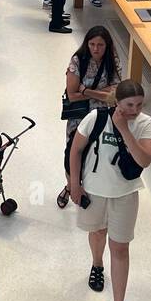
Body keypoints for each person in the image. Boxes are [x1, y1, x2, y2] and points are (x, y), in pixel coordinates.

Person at [68, 80, 151, 301]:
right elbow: (75, 150)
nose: (135, 110)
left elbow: (145, 160)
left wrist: (124, 129)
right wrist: (75, 184)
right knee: (97, 232)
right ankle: (97, 264)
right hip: (94, 191)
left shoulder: (145, 123)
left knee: (120, 248)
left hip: (125, 195)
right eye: (129, 104)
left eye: (139, 104)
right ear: (117, 102)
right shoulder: (95, 117)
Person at [58, 25, 120, 205]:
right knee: (72, 151)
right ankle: (71, 185)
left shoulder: (112, 61)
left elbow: (115, 94)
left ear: (107, 46)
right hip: (79, 117)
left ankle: (85, 184)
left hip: (103, 116)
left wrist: (85, 90)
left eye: (100, 45)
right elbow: (72, 95)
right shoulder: (78, 61)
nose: (95, 49)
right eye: (92, 44)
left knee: (96, 150)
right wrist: (102, 93)